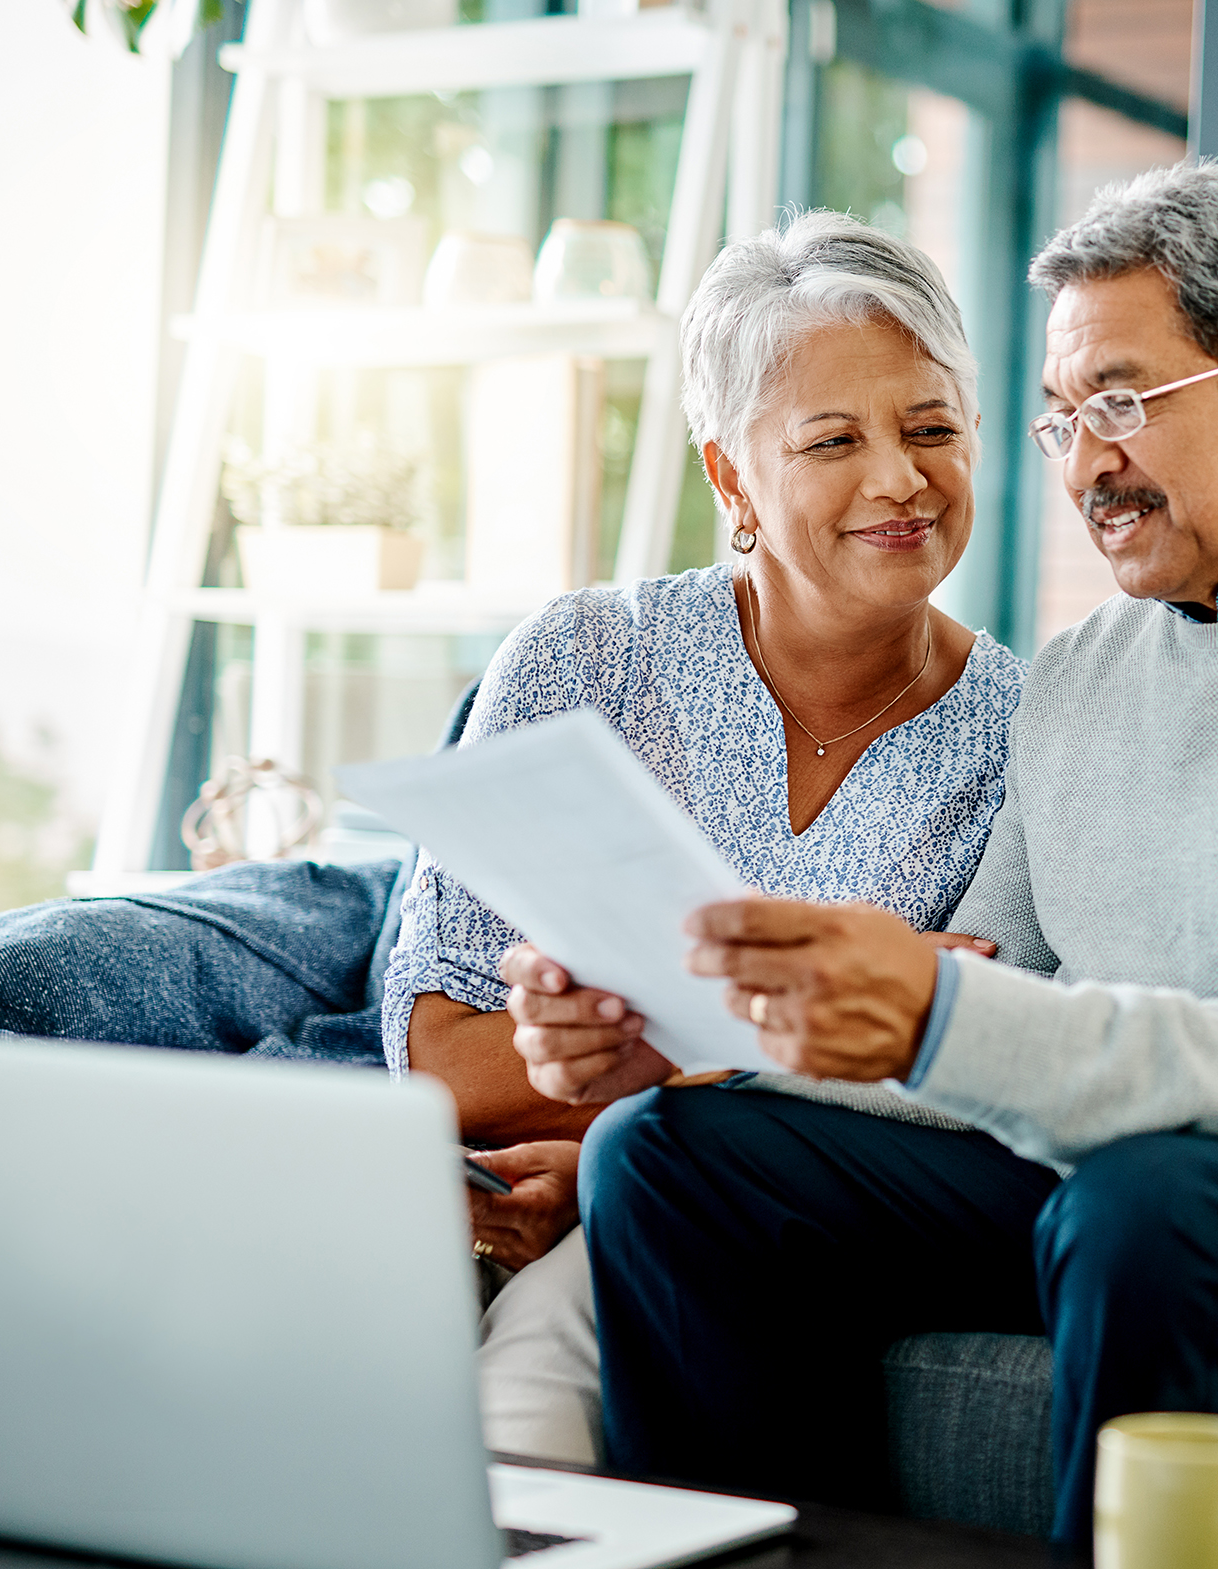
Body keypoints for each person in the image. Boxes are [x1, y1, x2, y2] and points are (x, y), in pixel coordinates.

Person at [509, 160, 1218, 1542]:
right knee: (676, 1156)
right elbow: (991, 992)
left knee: (1152, 1205)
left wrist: (945, 1011)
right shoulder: (1092, 669)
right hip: (1136, 1180)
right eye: (1058, 420)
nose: (1086, 463)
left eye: (1122, 404)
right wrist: (713, 1037)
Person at [380, 210, 1023, 1463]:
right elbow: (441, 1059)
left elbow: (956, 1077)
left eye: (932, 429)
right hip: (481, 1194)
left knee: (531, 1400)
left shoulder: (1028, 734)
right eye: (834, 440)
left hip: (743, 1222)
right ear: (731, 476)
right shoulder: (584, 659)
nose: (900, 478)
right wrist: (661, 1113)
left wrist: (628, 1147)